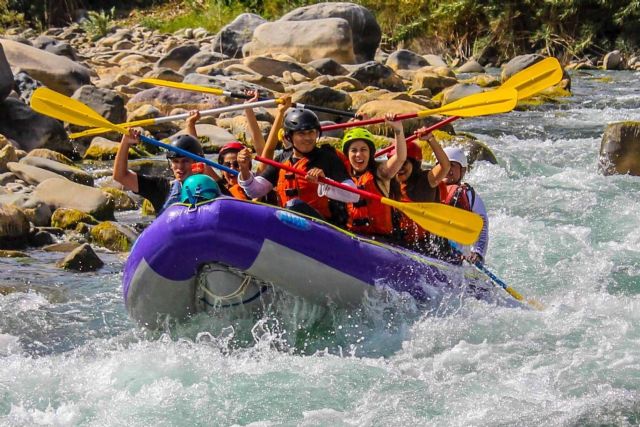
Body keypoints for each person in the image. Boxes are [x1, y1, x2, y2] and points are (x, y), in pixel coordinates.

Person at [237, 107, 359, 223]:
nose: (308, 138)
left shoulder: (328, 158)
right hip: (290, 223)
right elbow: (255, 191)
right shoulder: (282, 159)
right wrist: (244, 169)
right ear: (289, 137)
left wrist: (324, 182)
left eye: (311, 132)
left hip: (323, 226)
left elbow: (353, 195)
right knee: (292, 207)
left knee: (294, 205)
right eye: (301, 134)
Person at [113, 110, 218, 215]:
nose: (180, 167)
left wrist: (190, 124)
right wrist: (125, 142)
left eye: (185, 161)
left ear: (195, 162)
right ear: (170, 164)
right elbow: (120, 176)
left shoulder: (209, 184)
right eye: (175, 162)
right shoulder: (161, 188)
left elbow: (196, 151)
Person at [341, 115, 406, 238]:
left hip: (381, 240)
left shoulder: (380, 173)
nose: (358, 154)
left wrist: (398, 130)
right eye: (353, 150)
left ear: (370, 153)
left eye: (363, 150)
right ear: (347, 154)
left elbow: (400, 158)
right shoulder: (343, 174)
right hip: (352, 236)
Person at [391, 129, 451, 257]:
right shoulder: (389, 182)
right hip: (401, 240)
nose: (399, 169)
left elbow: (445, 166)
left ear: (415, 163)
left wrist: (431, 139)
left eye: (404, 164)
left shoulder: (426, 180)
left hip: (429, 244)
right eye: (397, 164)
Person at [438, 147, 488, 264]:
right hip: (431, 248)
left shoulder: (469, 195)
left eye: (452, 165)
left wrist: (478, 253)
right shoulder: (428, 187)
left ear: (463, 170)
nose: (447, 168)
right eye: (443, 164)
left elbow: (482, 226)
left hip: (457, 254)